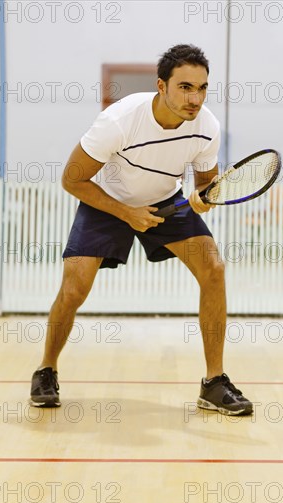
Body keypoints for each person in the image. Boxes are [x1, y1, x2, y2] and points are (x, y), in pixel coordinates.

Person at [30, 44, 253, 416]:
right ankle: (46, 369)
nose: (194, 98)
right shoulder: (120, 120)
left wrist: (203, 199)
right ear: (161, 86)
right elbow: (73, 179)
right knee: (74, 287)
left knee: (213, 268)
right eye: (184, 87)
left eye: (201, 88)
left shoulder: (206, 127)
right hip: (108, 202)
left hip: (166, 200)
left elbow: (206, 187)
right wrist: (126, 212)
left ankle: (214, 382)